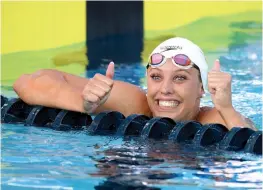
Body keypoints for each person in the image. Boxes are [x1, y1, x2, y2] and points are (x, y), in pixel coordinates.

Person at [13, 37, 257, 131]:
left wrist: (226, 106)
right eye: (156, 77)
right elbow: (27, 81)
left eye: (180, 78)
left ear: (202, 89)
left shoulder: (213, 119)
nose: (165, 90)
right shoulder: (135, 103)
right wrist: (83, 103)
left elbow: (251, 145)